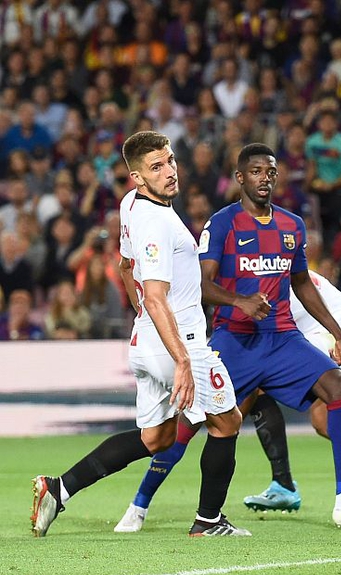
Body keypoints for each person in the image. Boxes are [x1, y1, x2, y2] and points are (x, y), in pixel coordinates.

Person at [31, 131, 247, 538]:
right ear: (137, 176)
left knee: (157, 437)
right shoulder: (158, 224)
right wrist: (182, 360)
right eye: (156, 167)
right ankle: (209, 520)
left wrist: (144, 316)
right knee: (227, 422)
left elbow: (126, 266)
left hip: (147, 340)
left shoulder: (130, 203)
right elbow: (156, 294)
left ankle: (59, 489)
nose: (170, 172)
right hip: (178, 344)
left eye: (170, 161)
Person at [115, 270, 341, 531]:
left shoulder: (242, 283)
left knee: (228, 400)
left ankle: (282, 485)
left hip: (331, 332)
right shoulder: (250, 266)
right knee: (327, 421)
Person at [197, 143, 341, 528]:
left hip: (283, 338)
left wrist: (335, 331)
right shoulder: (222, 223)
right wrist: (239, 301)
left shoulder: (291, 225)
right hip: (234, 339)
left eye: (270, 172)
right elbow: (201, 284)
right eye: (256, 172)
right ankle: (159, 506)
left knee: (338, 389)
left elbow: (302, 283)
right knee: (183, 428)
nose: (264, 179)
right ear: (240, 178)